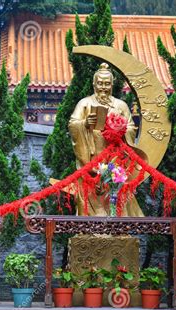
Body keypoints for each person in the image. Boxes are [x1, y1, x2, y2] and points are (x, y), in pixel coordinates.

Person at [68, 63, 143, 216]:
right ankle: (88, 232)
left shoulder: (120, 105)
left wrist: (120, 130)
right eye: (100, 83)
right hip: (91, 158)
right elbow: (72, 125)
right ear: (94, 84)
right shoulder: (85, 103)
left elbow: (131, 128)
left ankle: (117, 230)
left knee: (115, 193)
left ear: (112, 85)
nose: (103, 87)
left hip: (115, 161)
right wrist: (84, 124)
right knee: (89, 194)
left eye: (107, 83)